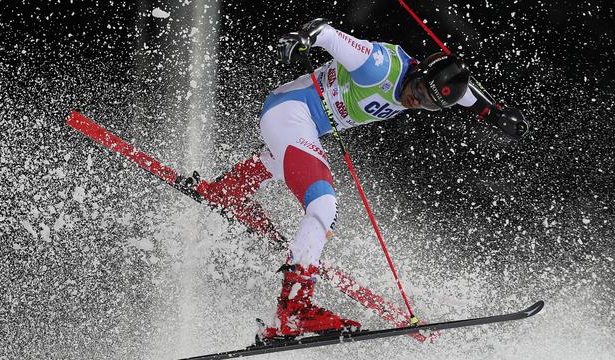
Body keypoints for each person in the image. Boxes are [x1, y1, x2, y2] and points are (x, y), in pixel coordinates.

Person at [188, 19, 529, 340]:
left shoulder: (430, 89)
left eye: (429, 104)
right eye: (421, 91)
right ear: (418, 72)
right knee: (322, 203)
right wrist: (307, 38)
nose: (417, 101)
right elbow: (327, 33)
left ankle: (228, 191)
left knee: (289, 159)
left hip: (296, 120)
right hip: (291, 112)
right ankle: (294, 310)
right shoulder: (378, 65)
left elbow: (466, 94)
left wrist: (494, 113)